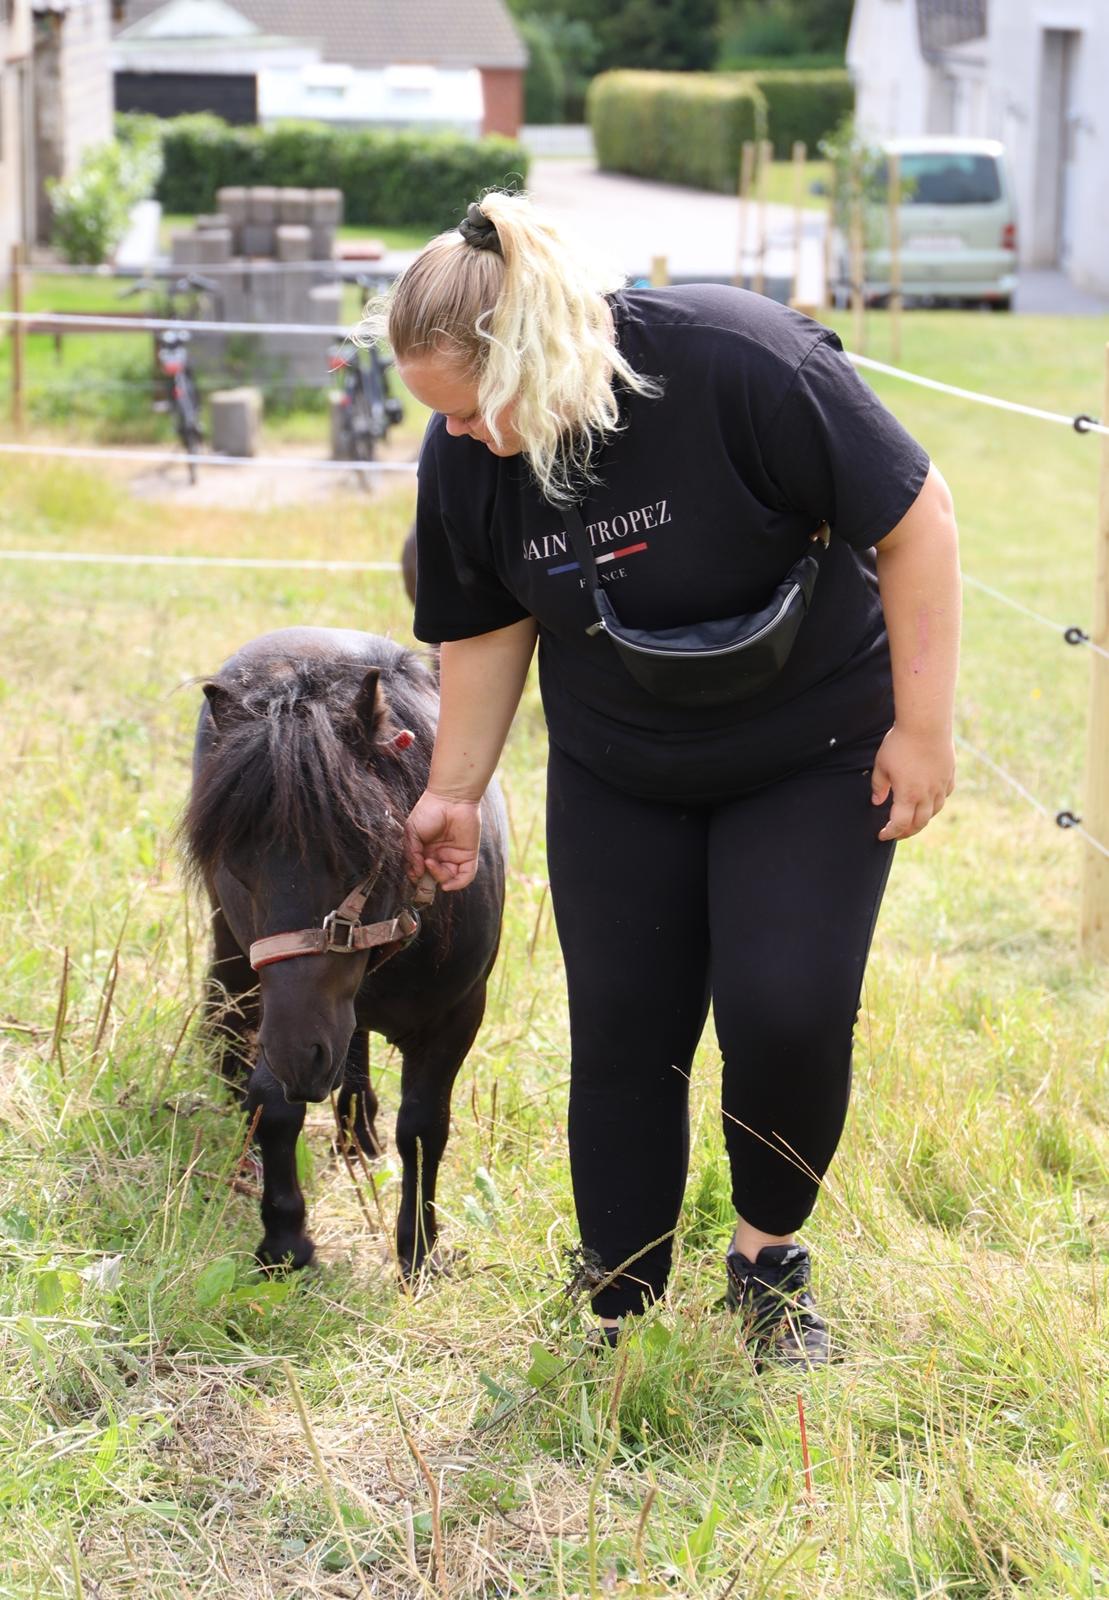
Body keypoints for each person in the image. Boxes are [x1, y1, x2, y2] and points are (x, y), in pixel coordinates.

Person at [363, 191, 960, 1367]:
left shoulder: (741, 363)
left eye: (474, 408)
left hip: (809, 747)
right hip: (620, 763)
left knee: (784, 1008)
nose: (460, 434)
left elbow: (916, 519)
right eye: (443, 417)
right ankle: (619, 1290)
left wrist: (923, 729)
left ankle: (766, 1263)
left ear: (538, 352)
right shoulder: (466, 455)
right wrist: (451, 790)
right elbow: (482, 626)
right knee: (625, 1027)